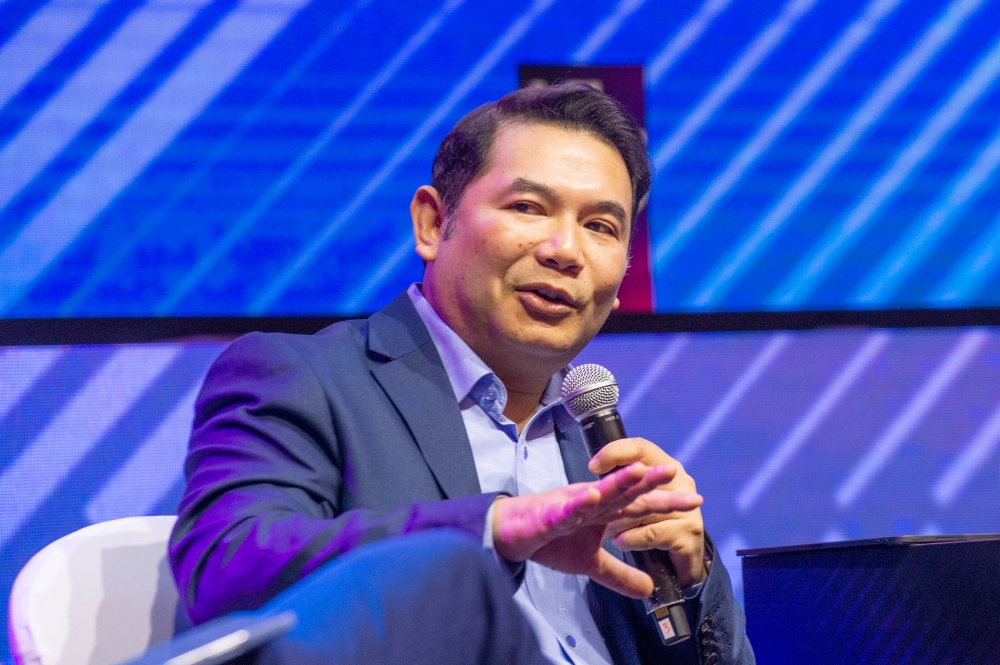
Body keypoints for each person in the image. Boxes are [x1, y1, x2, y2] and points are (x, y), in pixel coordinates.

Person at [170, 83, 754, 665]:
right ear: (432, 223)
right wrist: (494, 529)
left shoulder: (604, 458)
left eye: (601, 226)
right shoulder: (301, 377)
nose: (565, 250)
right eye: (528, 207)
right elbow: (225, 568)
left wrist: (691, 572)